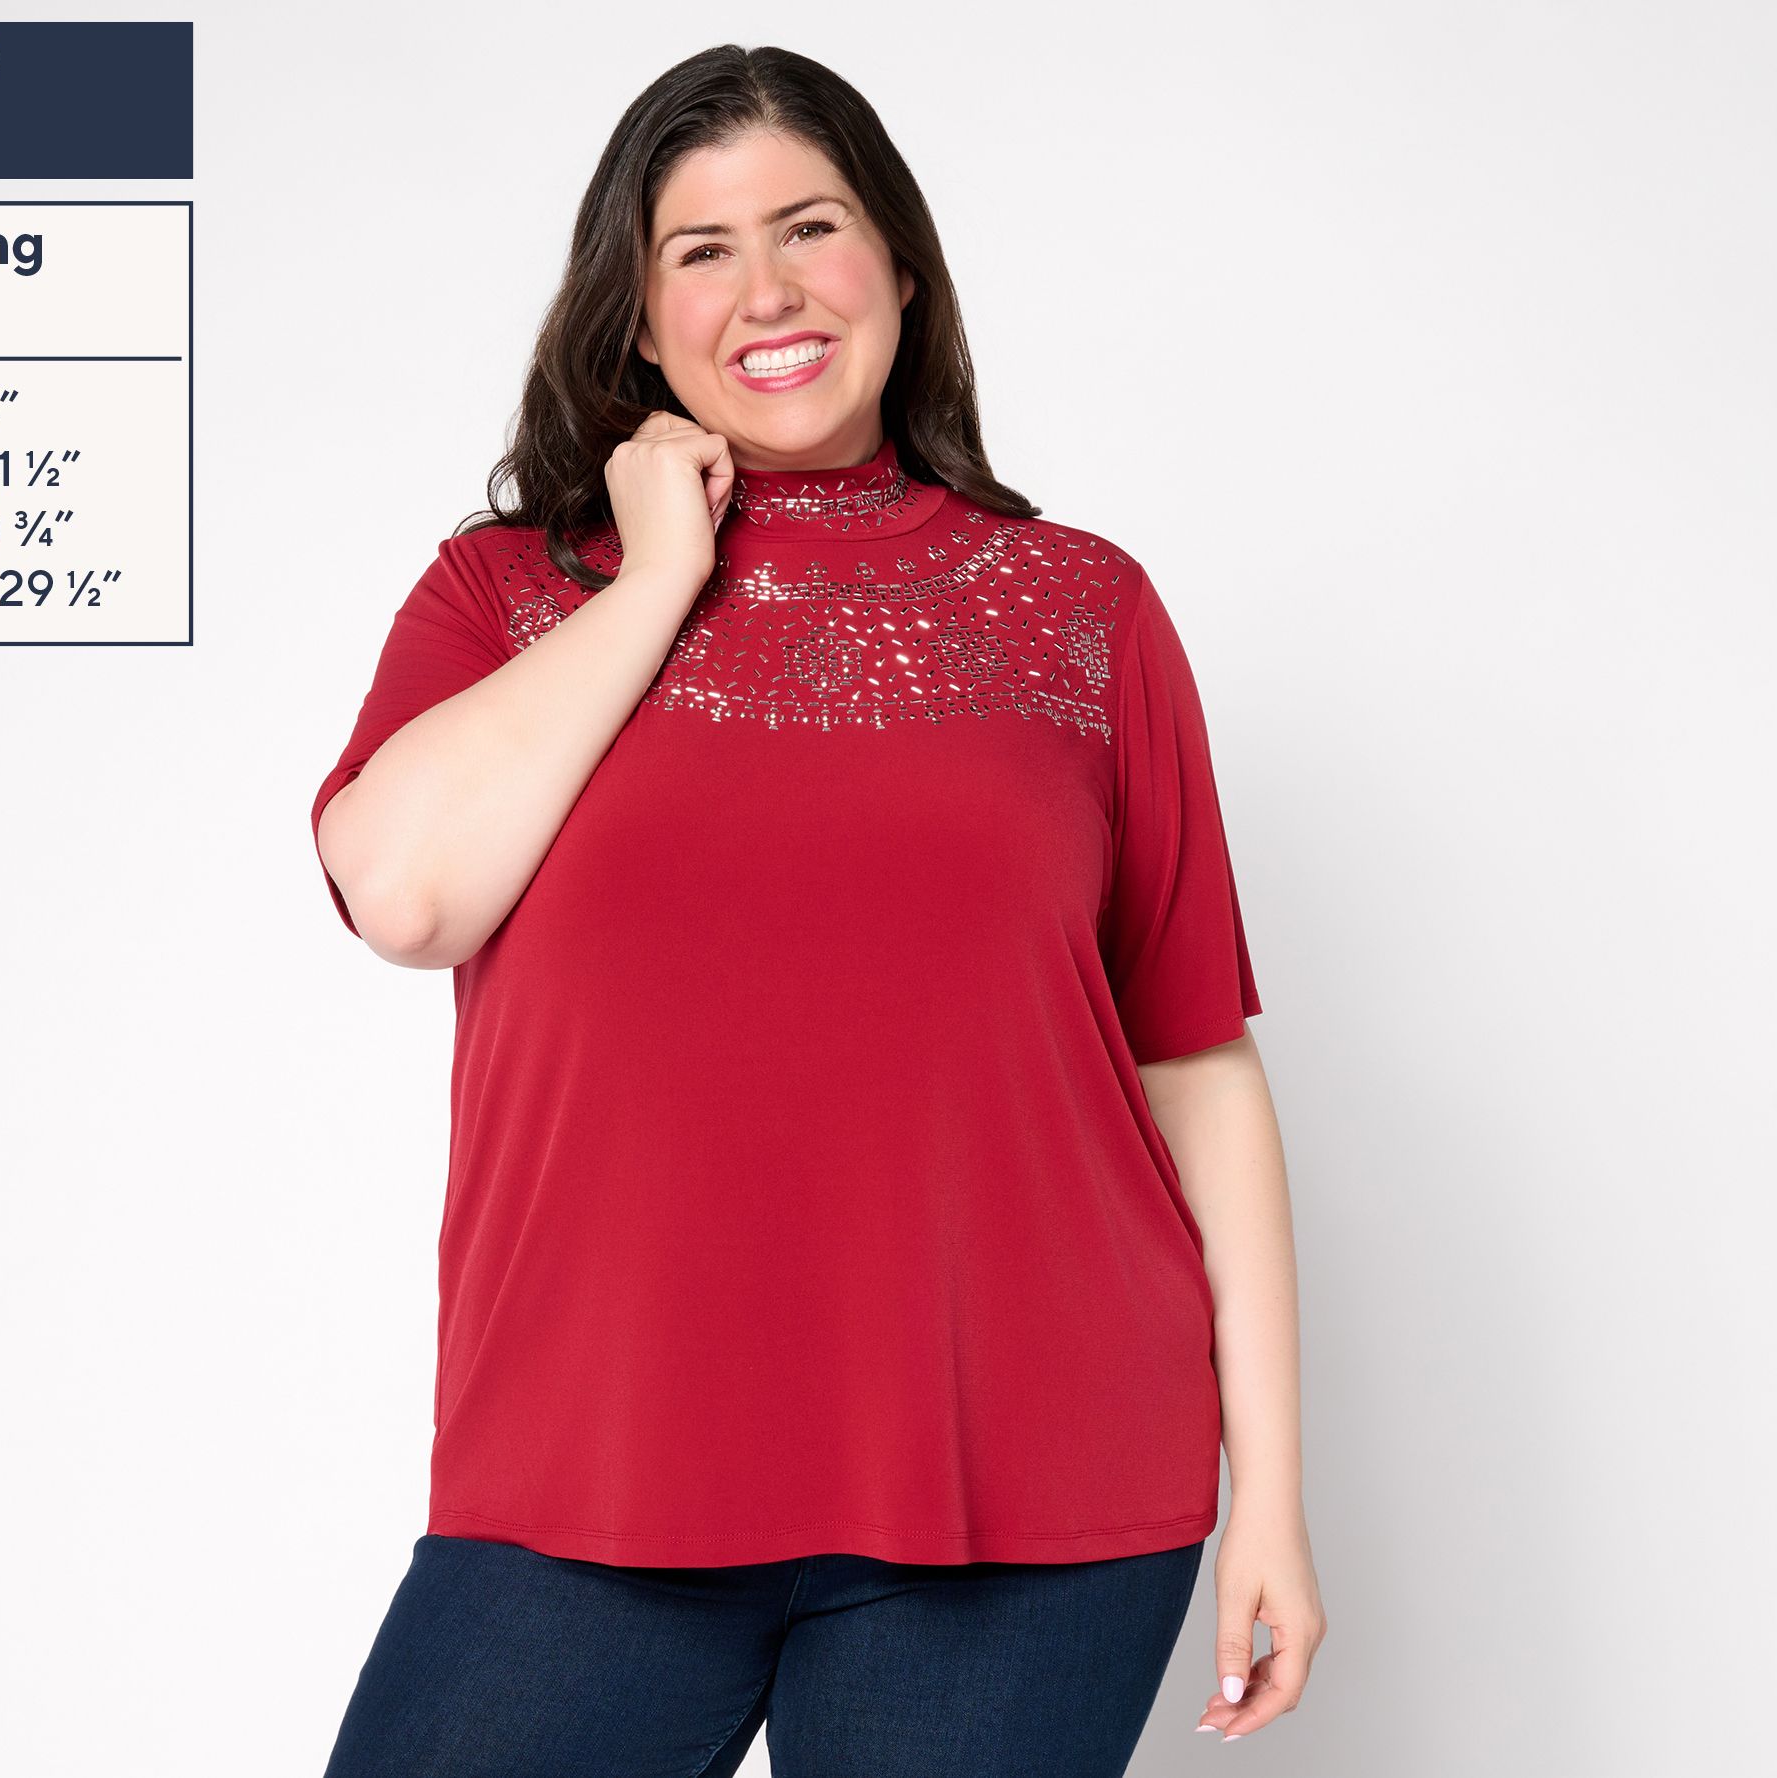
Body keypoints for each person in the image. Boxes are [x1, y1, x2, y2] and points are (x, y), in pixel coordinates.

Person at [310, 42, 1326, 1778]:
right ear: (640, 320)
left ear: (901, 270)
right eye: (702, 250)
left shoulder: (1083, 611)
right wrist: (659, 573)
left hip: (1030, 1495)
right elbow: (402, 895)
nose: (767, 290)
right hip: (592, 1473)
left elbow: (1195, 1063)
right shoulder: (509, 595)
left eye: (811, 226)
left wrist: (1276, 1502)